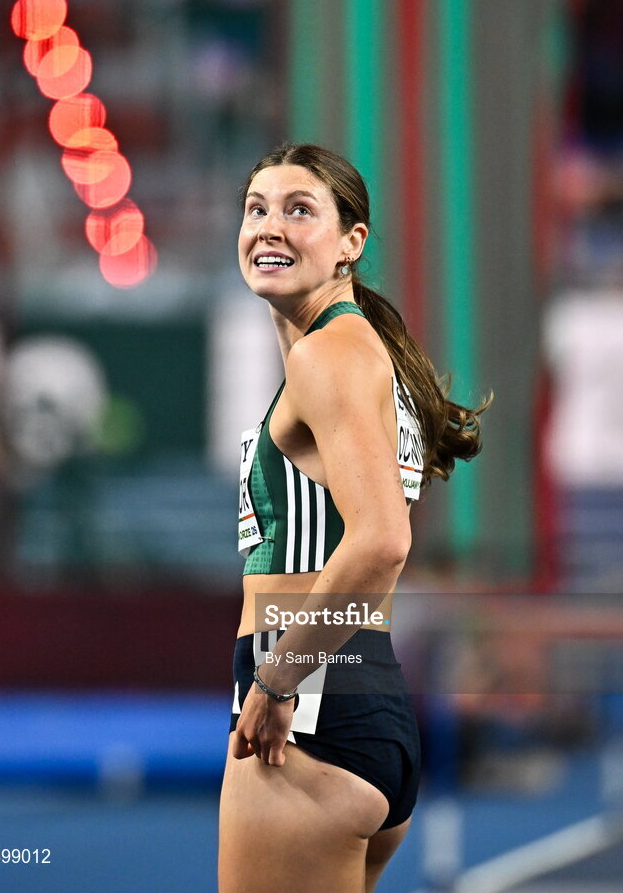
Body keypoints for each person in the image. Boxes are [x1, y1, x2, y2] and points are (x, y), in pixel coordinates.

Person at [219, 143, 491, 893]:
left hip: (307, 713)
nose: (269, 228)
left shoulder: (329, 357)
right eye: (256, 209)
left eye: (299, 211)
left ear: (351, 245)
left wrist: (276, 685)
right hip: (363, 696)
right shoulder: (362, 354)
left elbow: (380, 542)